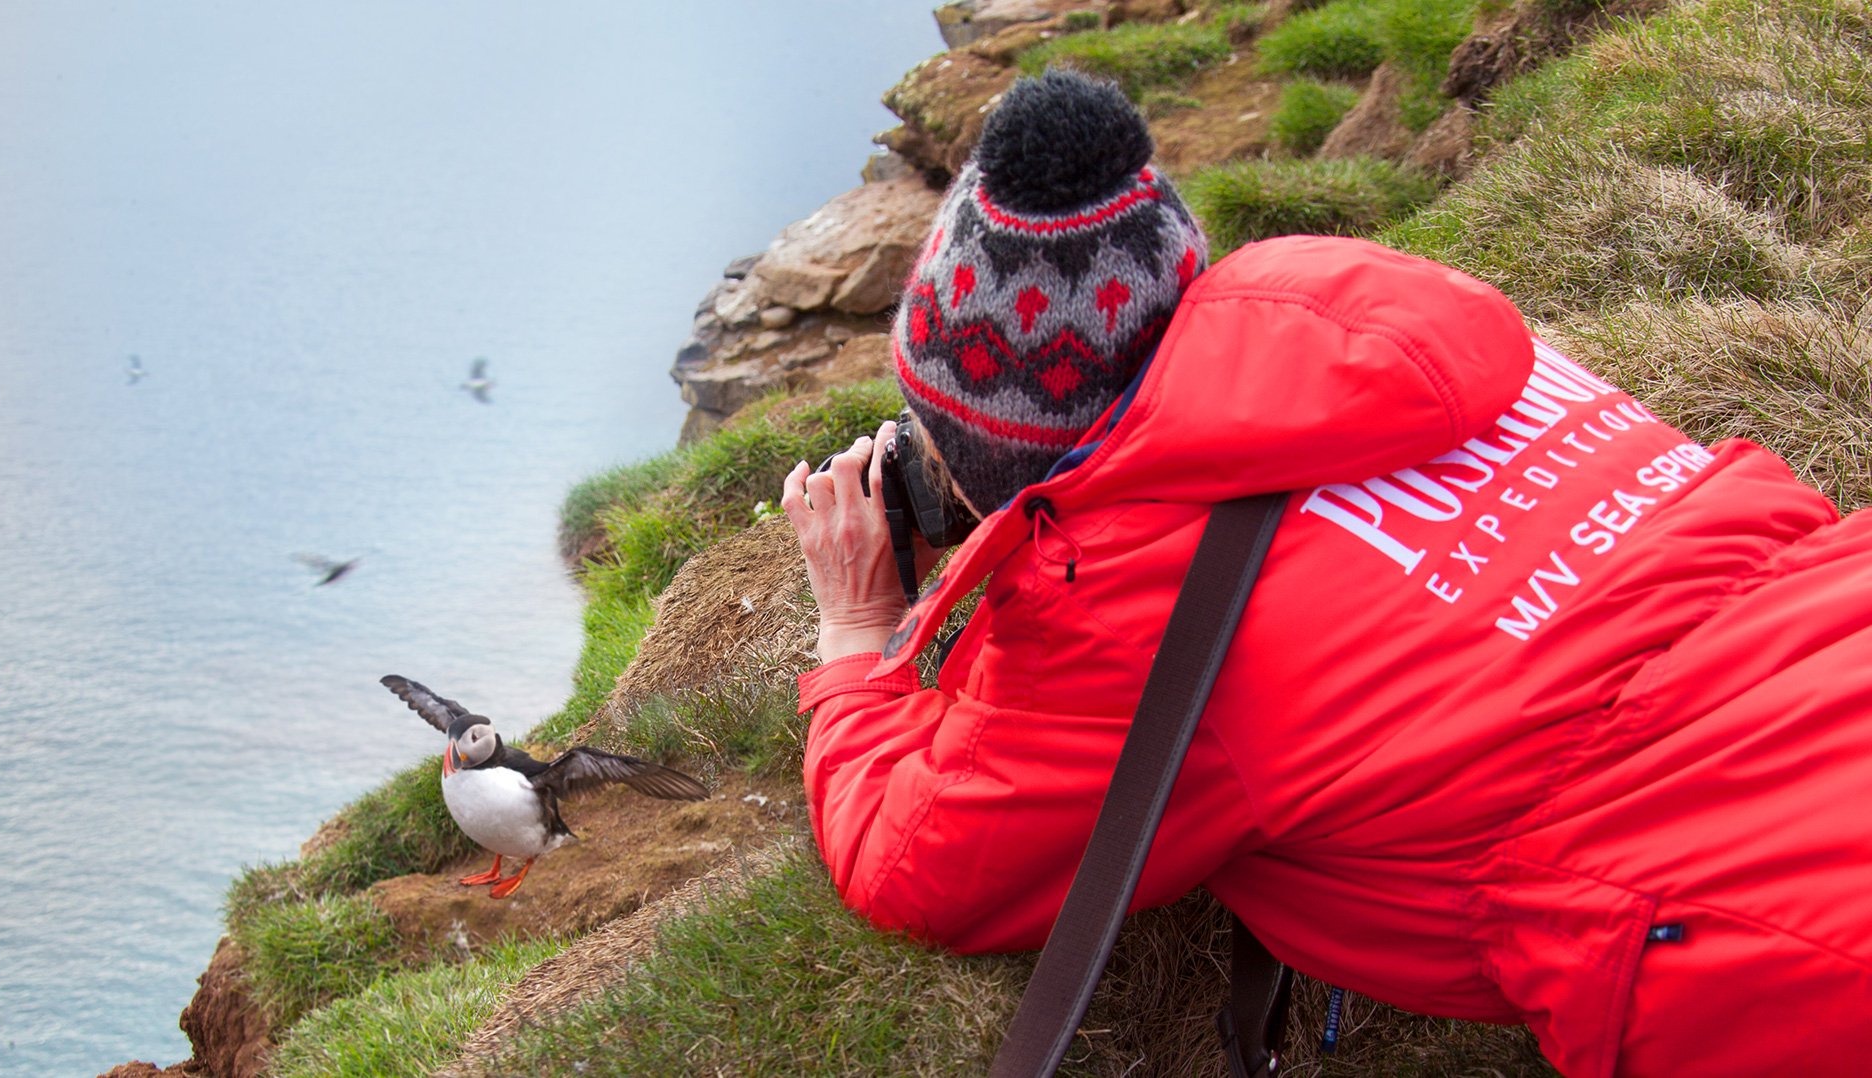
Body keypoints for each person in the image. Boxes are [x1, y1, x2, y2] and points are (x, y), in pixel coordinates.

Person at [779, 70, 1872, 1077]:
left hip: (1767, 920)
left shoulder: (1116, 607)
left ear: (995, 457)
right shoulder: (1373, 340)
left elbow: (914, 868)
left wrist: (856, 622)